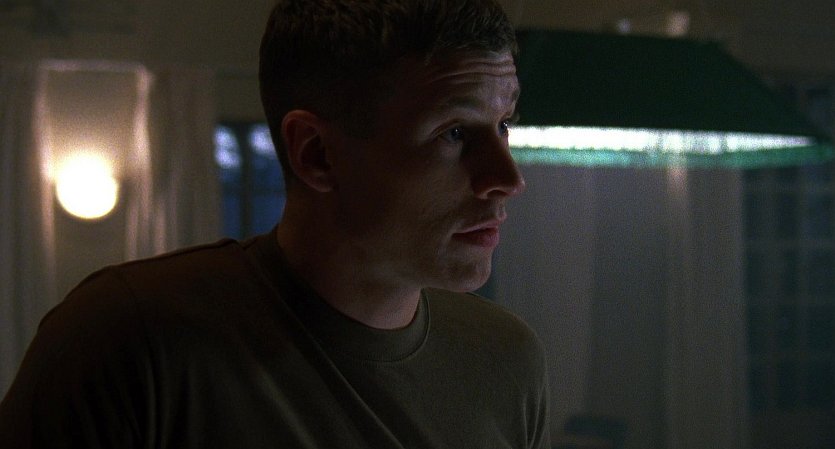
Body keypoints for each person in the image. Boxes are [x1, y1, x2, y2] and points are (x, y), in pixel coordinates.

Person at [0, 0, 550, 447]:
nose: (507, 178)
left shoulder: (504, 360)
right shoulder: (127, 343)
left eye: (503, 124)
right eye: (454, 133)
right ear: (316, 154)